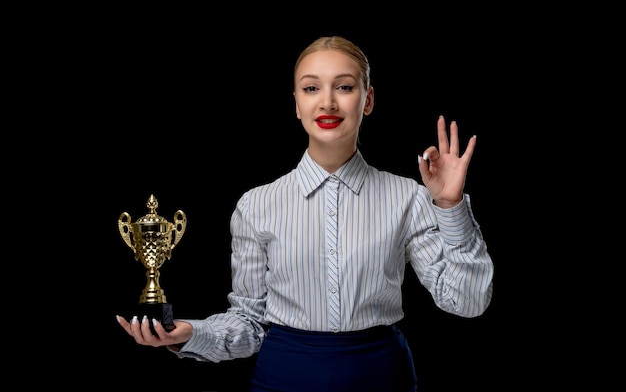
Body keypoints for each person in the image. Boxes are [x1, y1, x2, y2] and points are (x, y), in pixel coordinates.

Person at [116, 35, 494, 392]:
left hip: (383, 377)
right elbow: (250, 323)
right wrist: (190, 334)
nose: (327, 102)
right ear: (297, 104)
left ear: (368, 100)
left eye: (344, 87)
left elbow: (466, 301)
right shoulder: (256, 205)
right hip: (282, 377)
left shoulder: (407, 197)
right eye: (312, 88)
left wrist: (450, 205)